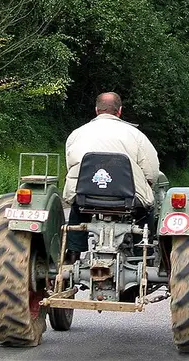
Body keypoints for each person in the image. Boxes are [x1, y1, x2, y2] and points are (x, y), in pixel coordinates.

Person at [63, 92, 160, 259]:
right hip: (127, 198)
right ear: (119, 111)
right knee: (146, 211)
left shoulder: (77, 134)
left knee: (77, 209)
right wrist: (148, 183)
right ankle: (142, 253)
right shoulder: (135, 135)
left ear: (96, 110)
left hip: (86, 195)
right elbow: (151, 170)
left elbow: (71, 164)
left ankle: (73, 252)